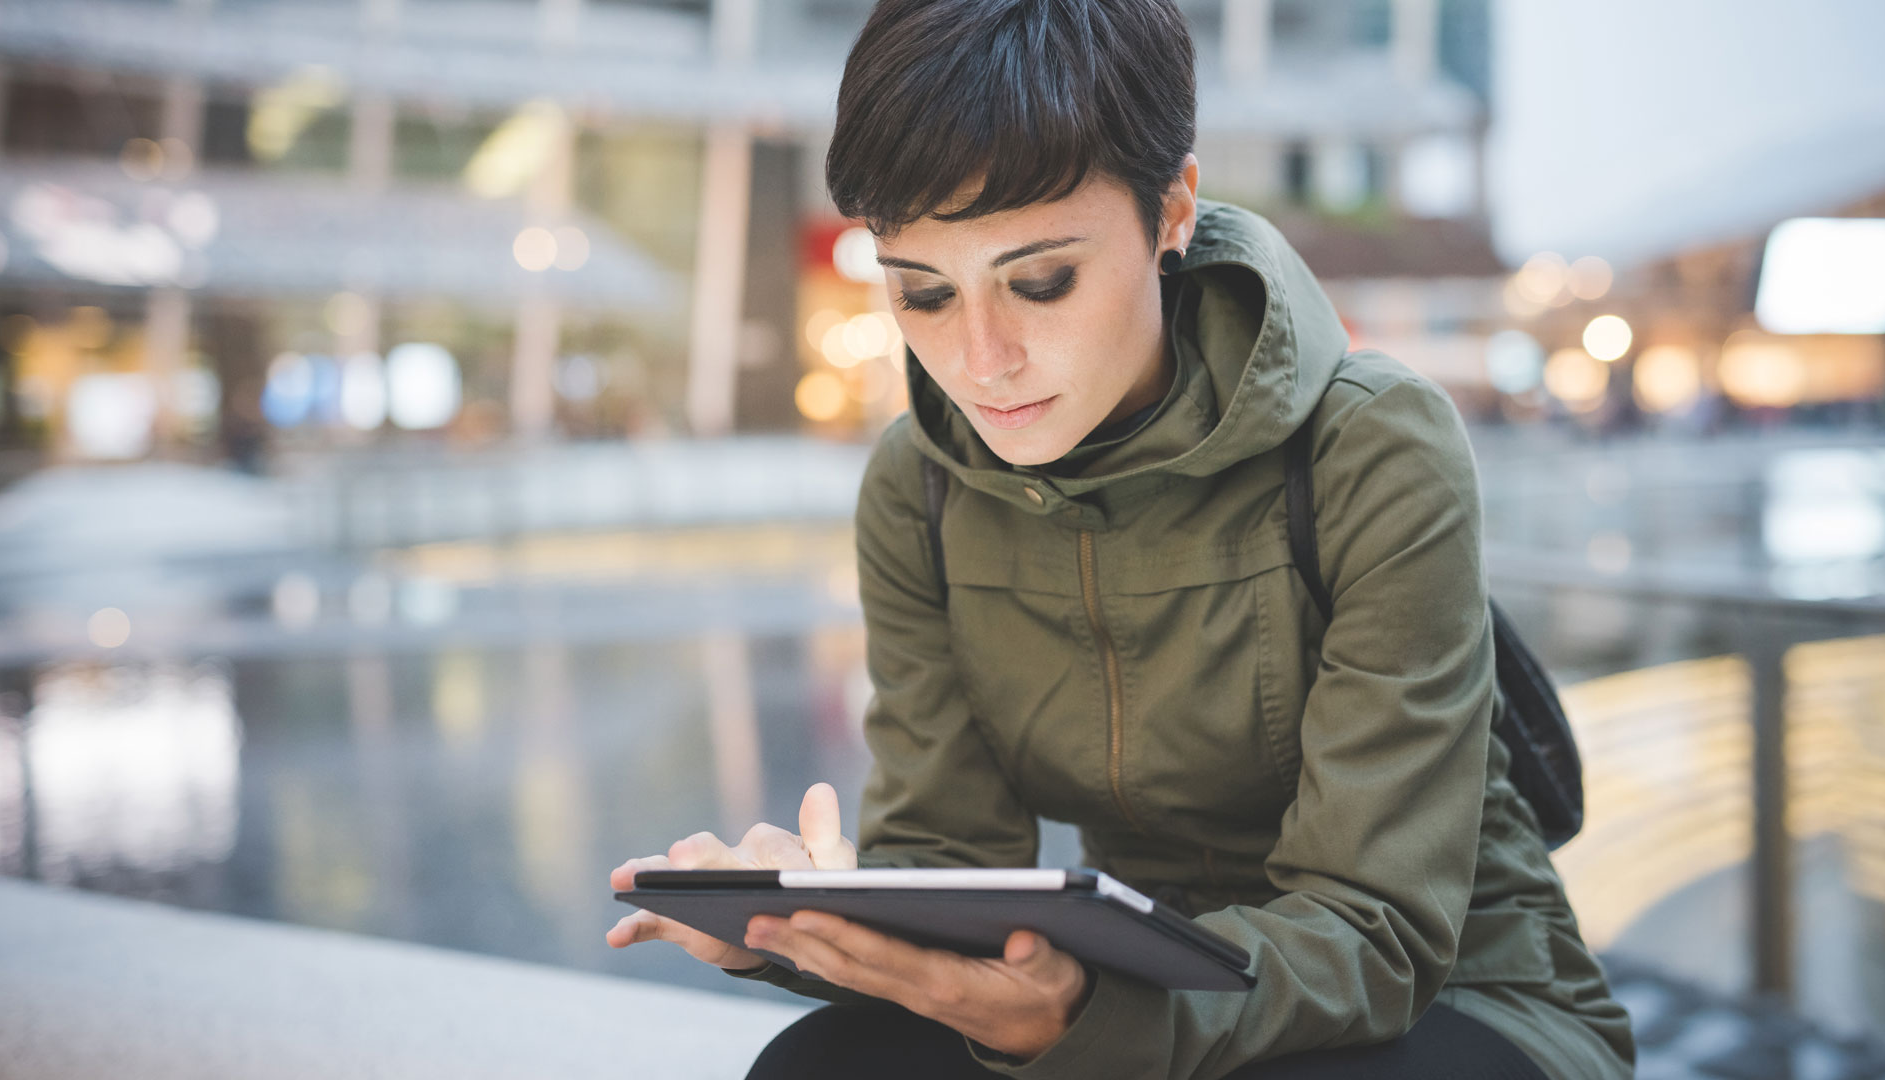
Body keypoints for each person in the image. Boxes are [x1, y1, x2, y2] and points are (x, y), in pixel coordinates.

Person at [607, 1, 1636, 1076]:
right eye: (922, 293)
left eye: (1041, 281)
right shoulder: (919, 488)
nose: (982, 359)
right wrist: (796, 926)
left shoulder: (1372, 445)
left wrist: (1092, 1013)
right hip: (1128, 976)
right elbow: (949, 864)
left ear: (1173, 209)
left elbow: (1377, 933)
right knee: (818, 1068)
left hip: (1448, 991)